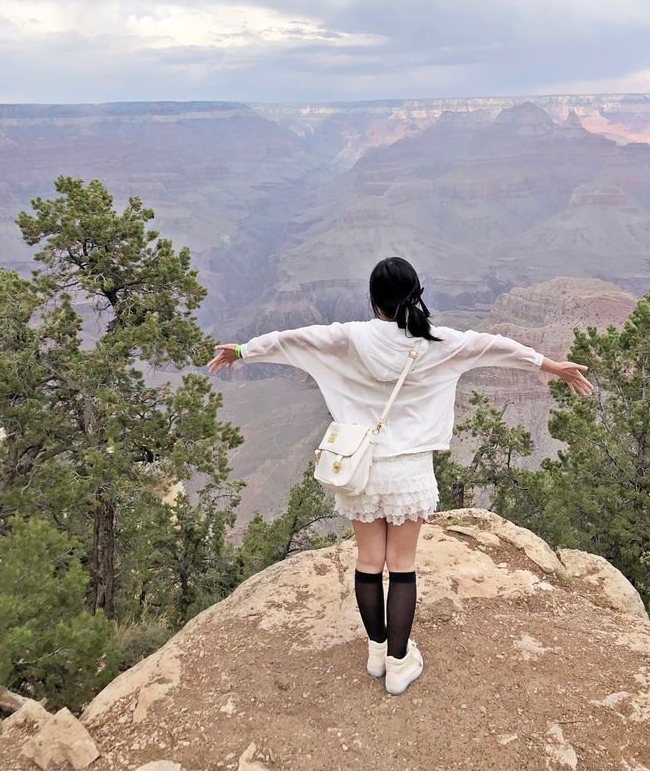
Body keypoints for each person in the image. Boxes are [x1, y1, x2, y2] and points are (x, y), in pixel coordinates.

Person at [206, 256, 593, 695]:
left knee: (369, 563)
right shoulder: (441, 341)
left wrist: (242, 351)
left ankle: (376, 651)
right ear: (416, 294)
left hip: (361, 469)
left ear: (374, 300)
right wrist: (551, 366)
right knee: (402, 566)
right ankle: (398, 662)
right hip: (409, 473)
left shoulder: (351, 337)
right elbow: (496, 346)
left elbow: (296, 341)